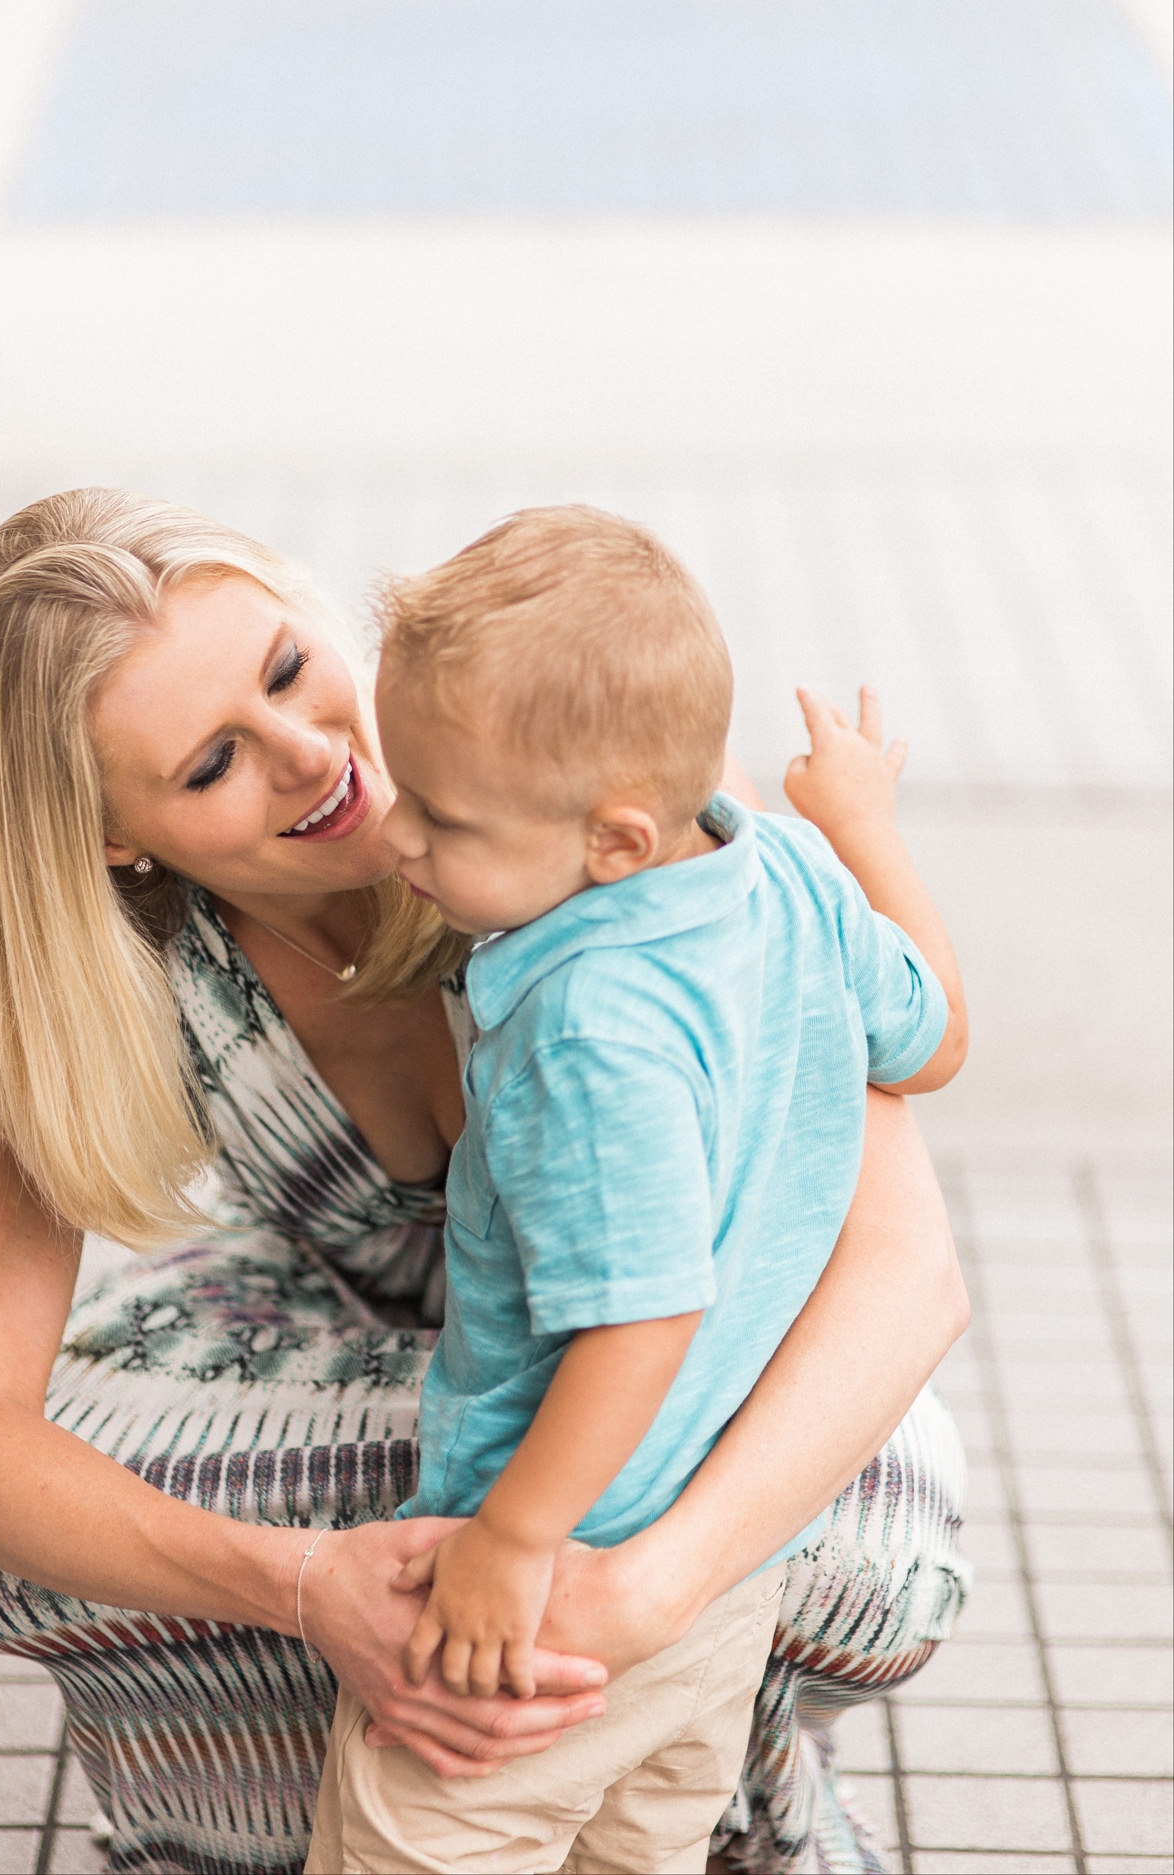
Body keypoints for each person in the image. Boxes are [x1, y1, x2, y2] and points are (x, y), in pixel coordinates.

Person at [0, 488, 971, 1875]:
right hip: (375, 1334)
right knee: (25, 1536)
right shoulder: (59, 982)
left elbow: (905, 1271)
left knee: (882, 1511)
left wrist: (651, 1583)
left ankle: (708, 1774)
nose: (312, 758)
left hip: (645, 1355)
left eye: (290, 669)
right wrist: (305, 1587)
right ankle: (242, 1810)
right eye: (212, 761)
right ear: (113, 836)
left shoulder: (595, 799)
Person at [305, 508, 967, 1874]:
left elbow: (644, 1312)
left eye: (442, 814)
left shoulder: (583, 1022)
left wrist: (509, 1539)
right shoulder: (783, 871)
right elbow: (936, 1037)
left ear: (612, 838)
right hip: (718, 1560)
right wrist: (859, 828)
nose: (399, 835)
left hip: (549, 1599)